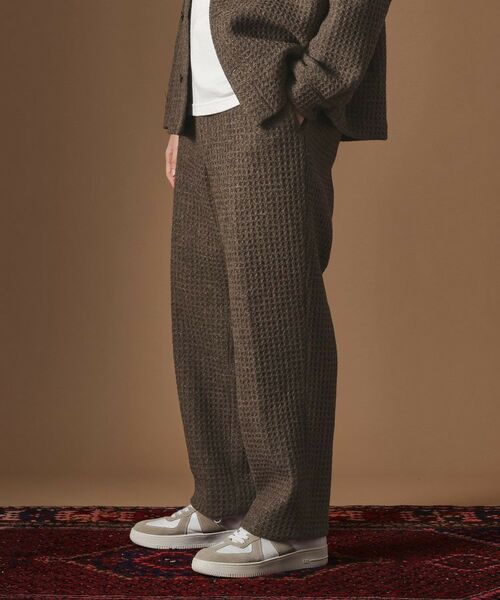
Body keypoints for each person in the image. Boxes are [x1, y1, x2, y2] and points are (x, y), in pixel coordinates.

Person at [130, 0, 392, 578]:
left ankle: (291, 525)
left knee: (276, 312)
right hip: (205, 105)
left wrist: (315, 85)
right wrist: (181, 113)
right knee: (204, 310)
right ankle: (224, 500)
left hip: (273, 96)